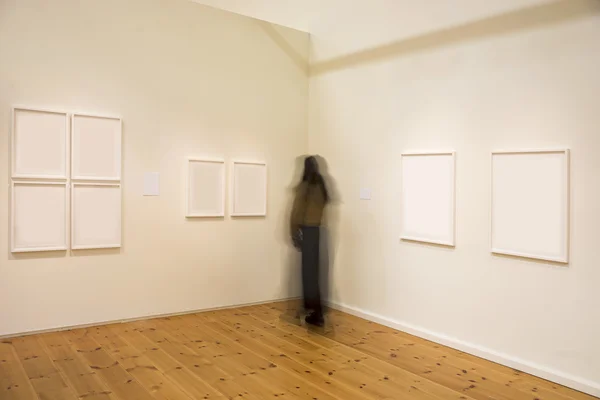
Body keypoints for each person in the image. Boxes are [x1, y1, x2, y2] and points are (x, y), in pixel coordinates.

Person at [290, 156, 330, 327]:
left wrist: (293, 233)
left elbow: (297, 211)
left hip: (306, 230)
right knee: (313, 271)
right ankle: (312, 308)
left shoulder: (305, 185)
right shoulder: (321, 185)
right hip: (317, 230)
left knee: (308, 274)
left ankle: (316, 312)